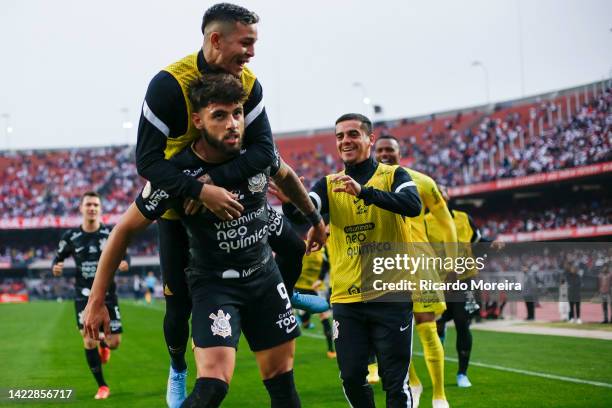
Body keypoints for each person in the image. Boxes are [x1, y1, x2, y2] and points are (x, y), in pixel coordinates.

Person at [134, 4, 326, 406]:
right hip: (179, 205)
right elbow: (148, 162)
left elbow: (266, 153)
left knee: (290, 247)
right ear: (215, 40)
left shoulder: (248, 83)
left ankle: (284, 297)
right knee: (177, 305)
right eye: (247, 43)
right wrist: (196, 191)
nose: (252, 53)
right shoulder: (169, 85)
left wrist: (216, 182)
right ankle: (178, 368)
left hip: (237, 196)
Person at [85, 73, 306, 407]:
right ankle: (178, 369)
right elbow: (124, 230)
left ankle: (295, 295)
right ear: (197, 120)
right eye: (220, 115)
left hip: (264, 278)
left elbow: (287, 176)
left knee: (284, 389)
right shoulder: (177, 175)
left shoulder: (258, 154)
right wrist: (96, 298)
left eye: (237, 113)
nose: (233, 124)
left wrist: (315, 220)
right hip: (214, 286)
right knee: (212, 388)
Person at [284, 113, 422, 407]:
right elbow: (304, 211)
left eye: (352, 134)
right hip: (347, 299)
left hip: (391, 296)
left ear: (370, 139)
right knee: (350, 377)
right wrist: (290, 198)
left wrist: (365, 193)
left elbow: (412, 205)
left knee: (394, 381)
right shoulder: (328, 184)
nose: (345, 140)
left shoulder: (394, 175)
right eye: (339, 136)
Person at [371, 134, 455, 408]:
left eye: (390, 150)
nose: (385, 154)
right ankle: (414, 383)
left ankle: (440, 395)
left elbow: (446, 221)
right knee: (395, 334)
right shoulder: (366, 183)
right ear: (374, 151)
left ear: (399, 152)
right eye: (380, 149)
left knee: (427, 327)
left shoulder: (423, 182)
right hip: (385, 265)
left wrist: (452, 259)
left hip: (419, 262)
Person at [51, 191, 129, 400]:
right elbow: (57, 258)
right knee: (88, 340)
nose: (92, 208)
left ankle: (105, 344)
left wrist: (123, 262)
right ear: (81, 208)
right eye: (89, 205)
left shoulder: (111, 235)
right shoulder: (71, 237)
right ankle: (102, 386)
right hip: (83, 296)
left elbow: (124, 254)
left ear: (100, 208)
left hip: (108, 295)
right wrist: (56, 267)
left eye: (96, 204)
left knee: (114, 342)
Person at [425, 186, 485, 389]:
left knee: (462, 322)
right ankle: (439, 365)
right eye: (434, 192)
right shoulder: (425, 222)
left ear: (448, 196)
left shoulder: (464, 218)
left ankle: (462, 373)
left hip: (465, 280)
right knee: (438, 325)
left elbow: (477, 241)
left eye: (441, 191)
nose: (438, 195)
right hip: (438, 283)